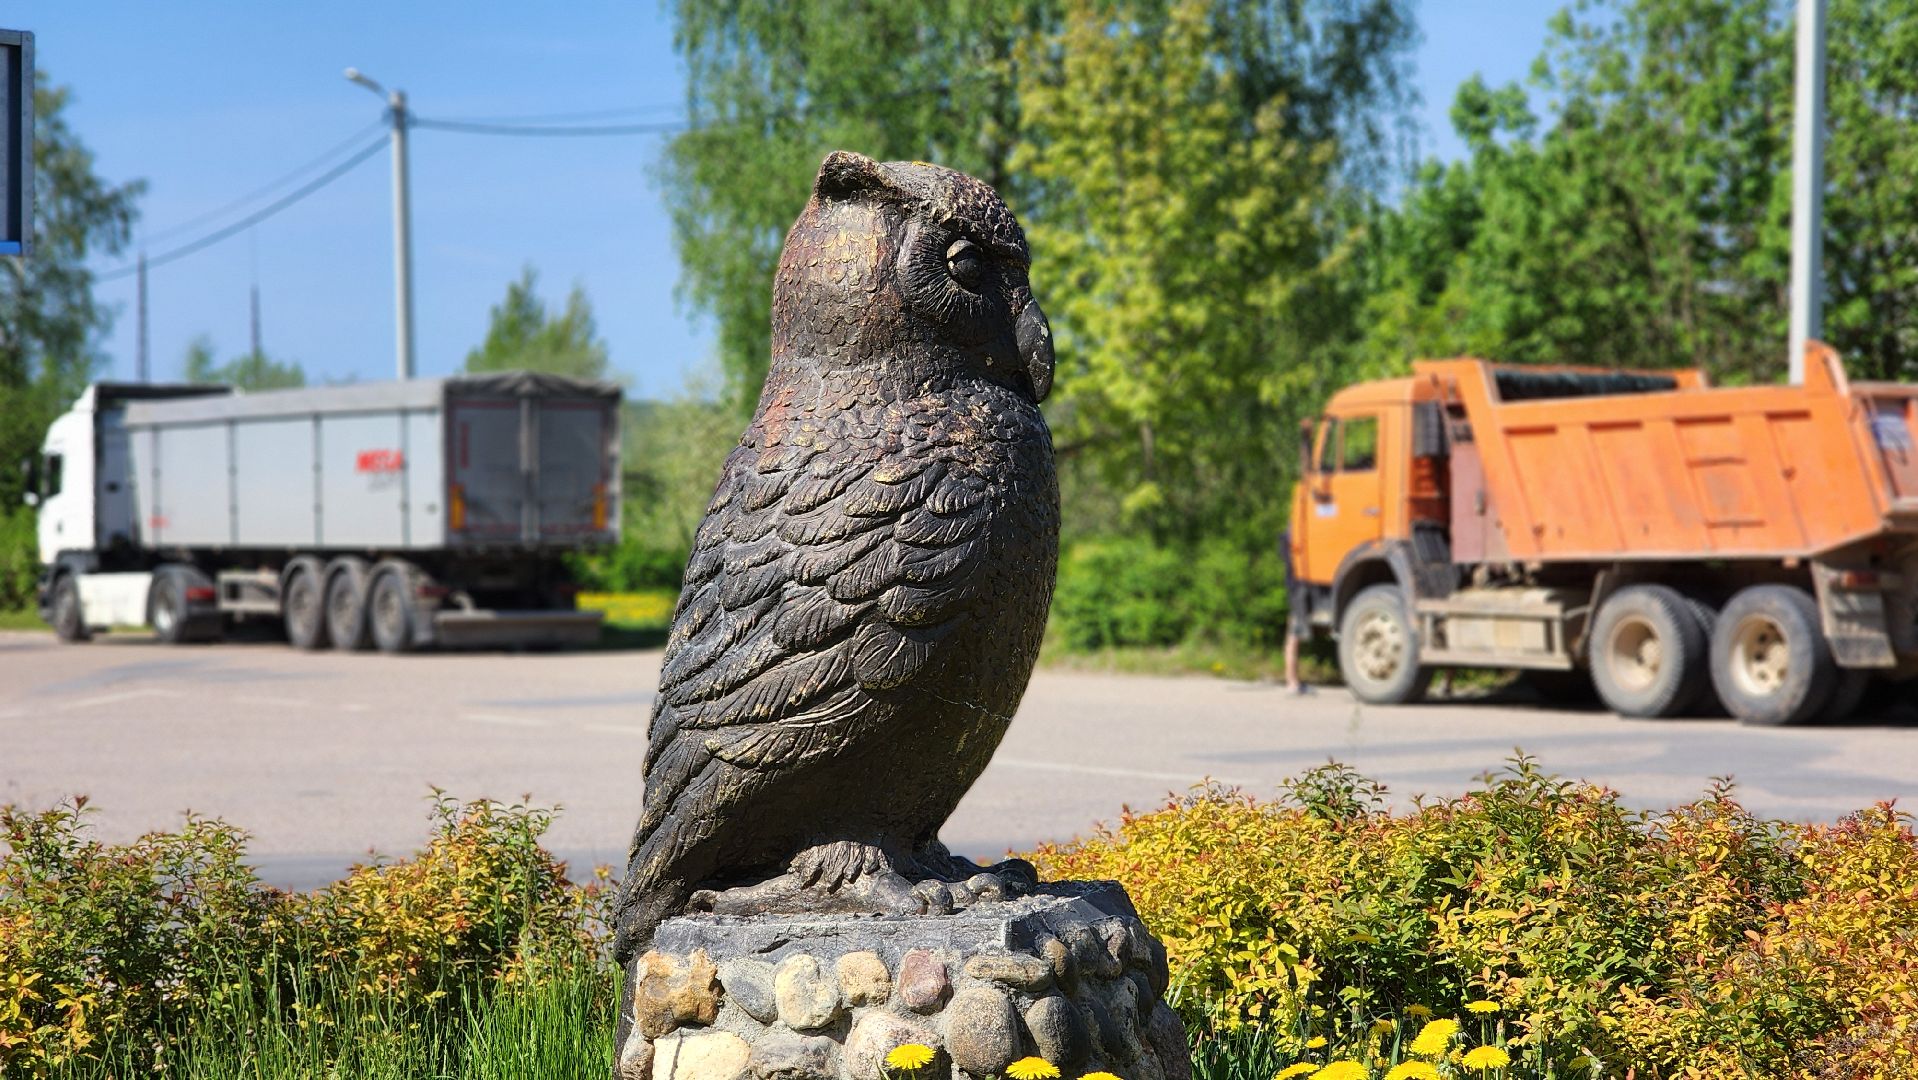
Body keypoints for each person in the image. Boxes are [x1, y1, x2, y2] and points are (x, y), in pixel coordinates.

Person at [1279, 526, 1309, 694]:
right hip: (1297, 593)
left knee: (1293, 638)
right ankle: (1292, 682)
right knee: (1293, 637)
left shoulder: (1287, 548)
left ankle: (1292, 680)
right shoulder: (1294, 554)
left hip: (1295, 591)